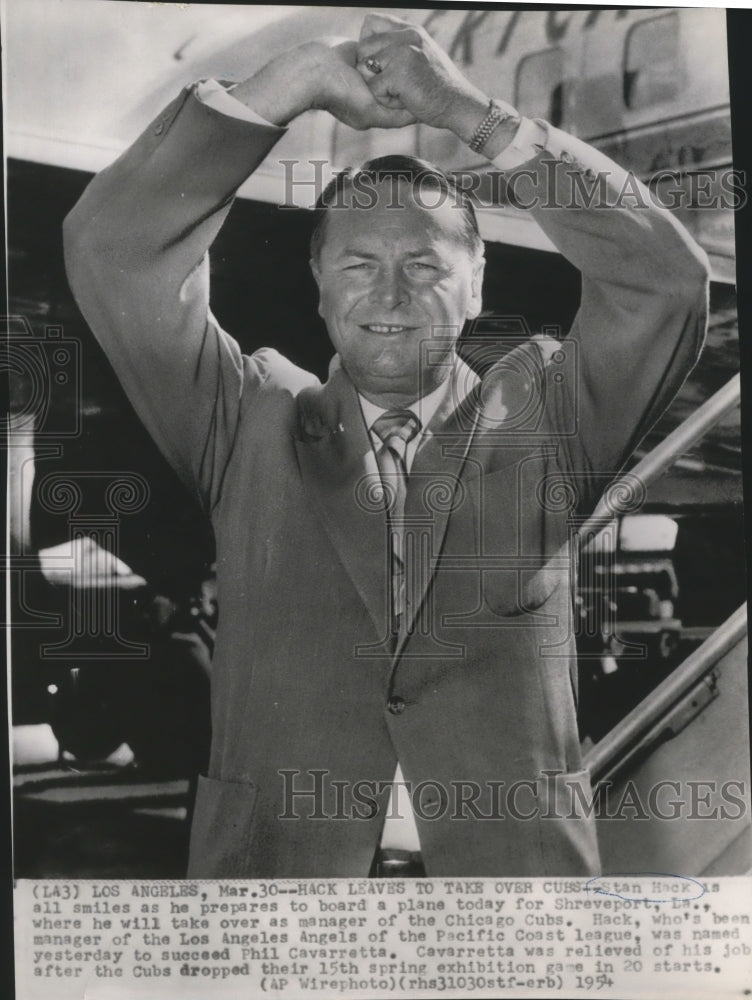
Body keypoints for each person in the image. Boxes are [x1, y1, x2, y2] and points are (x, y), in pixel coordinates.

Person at [63, 13, 709, 878]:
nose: (393, 292)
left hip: (511, 912)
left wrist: (469, 112)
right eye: (360, 264)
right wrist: (289, 84)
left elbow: (665, 282)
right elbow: (115, 247)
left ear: (478, 287)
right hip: (283, 902)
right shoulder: (248, 420)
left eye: (429, 265)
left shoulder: (549, 422)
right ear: (320, 287)